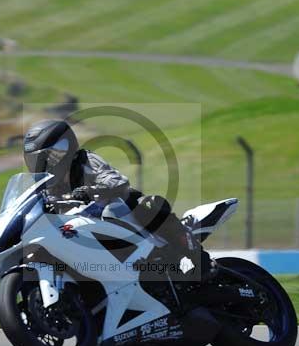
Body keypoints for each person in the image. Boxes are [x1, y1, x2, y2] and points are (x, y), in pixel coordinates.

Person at [23, 119, 213, 281]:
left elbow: (117, 181)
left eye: (47, 158)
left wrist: (89, 190)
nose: (42, 165)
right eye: (35, 160)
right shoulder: (47, 186)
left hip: (121, 212)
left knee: (150, 205)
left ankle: (199, 258)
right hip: (85, 231)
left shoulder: (85, 160)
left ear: (64, 149)